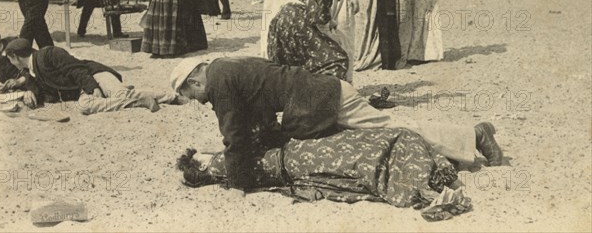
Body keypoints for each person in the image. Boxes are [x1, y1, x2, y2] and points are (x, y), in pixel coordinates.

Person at [170, 56, 504, 191]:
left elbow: (234, 136)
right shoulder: (229, 67)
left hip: (326, 100)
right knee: (391, 129)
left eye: (193, 96)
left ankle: (472, 136)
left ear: (195, 83)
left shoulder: (218, 85)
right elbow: (262, 109)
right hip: (324, 93)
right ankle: (461, 144)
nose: (201, 101)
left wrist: (240, 183)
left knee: (395, 128)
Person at [176, 127, 472, 220]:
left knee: (368, 144)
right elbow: (233, 157)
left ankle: (432, 175)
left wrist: (202, 151)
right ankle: (430, 184)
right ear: (201, 167)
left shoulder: (222, 161)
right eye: (199, 159)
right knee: (363, 154)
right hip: (298, 160)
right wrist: (201, 160)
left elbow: (235, 147)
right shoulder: (220, 166)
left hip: (298, 154)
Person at [4, 38, 177, 114]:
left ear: (14, 57)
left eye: (10, 60)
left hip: (96, 74)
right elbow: (38, 87)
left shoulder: (48, 54)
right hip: (82, 90)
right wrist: (30, 93)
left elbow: (77, 68)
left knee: (119, 95)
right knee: (86, 107)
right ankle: (144, 100)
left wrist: (92, 88)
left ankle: (171, 97)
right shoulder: (32, 70)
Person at [268, 0, 350, 80]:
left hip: (285, 15)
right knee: (337, 59)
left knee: (291, 65)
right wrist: (332, 36)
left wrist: (329, 21)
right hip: (296, 20)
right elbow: (319, 15)